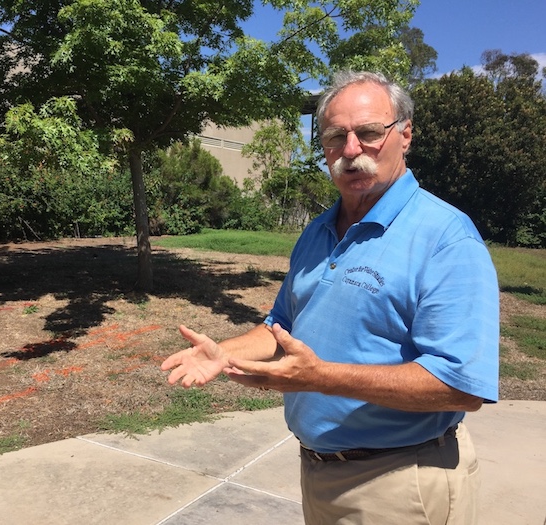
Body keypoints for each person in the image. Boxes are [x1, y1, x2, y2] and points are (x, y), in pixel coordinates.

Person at [160, 70, 499, 525]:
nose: (352, 149)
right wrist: (225, 353)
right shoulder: (318, 230)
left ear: (405, 134)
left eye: (369, 133)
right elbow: (282, 326)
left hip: (401, 482)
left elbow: (461, 385)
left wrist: (321, 377)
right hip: (319, 473)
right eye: (336, 136)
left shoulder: (445, 237)